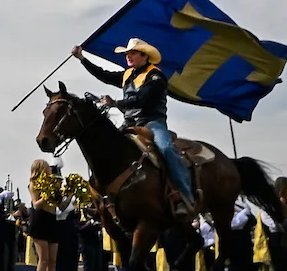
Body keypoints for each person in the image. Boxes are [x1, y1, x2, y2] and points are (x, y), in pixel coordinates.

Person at [72, 38, 197, 220]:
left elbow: (144, 99)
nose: (128, 57)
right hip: (129, 123)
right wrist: (82, 59)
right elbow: (104, 74)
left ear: (144, 56)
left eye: (132, 53)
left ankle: (186, 196)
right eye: (127, 54)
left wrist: (115, 102)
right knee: (105, 146)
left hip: (152, 123)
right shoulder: (127, 74)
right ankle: (104, 197)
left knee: (166, 148)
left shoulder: (156, 76)